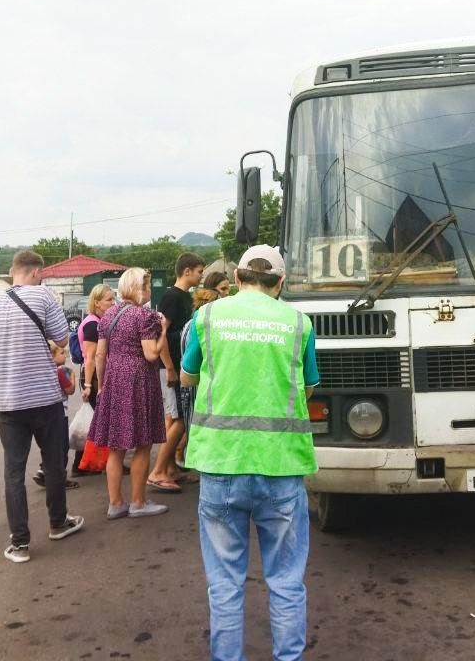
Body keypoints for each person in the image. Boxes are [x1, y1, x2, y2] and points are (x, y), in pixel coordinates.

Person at [180, 245, 320, 661]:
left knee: (224, 584)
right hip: (281, 466)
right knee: (286, 581)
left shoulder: (206, 318)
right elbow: (309, 386)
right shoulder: (299, 323)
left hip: (221, 465)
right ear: (279, 284)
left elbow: (188, 377)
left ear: (237, 279)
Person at [0, 250, 84, 564]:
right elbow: (62, 339)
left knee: (13, 471)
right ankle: (58, 523)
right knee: (52, 464)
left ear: (13, 272)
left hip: (9, 404)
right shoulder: (44, 296)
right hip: (46, 400)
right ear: (36, 272)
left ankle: (20, 543)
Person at [88, 267, 169, 519]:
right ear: (138, 288)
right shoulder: (145, 317)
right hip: (140, 381)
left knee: (116, 447)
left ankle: (115, 504)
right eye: (146, 286)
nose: (148, 290)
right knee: (143, 444)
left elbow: (100, 355)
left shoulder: (108, 315)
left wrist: (101, 385)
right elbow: (152, 354)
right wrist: (164, 329)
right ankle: (138, 502)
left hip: (114, 381)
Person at [147, 252, 204, 493]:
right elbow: (160, 332)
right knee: (180, 419)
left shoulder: (184, 297)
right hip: (173, 369)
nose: (201, 276)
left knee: (179, 416)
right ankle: (158, 471)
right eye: (200, 271)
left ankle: (171, 469)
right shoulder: (171, 297)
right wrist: (169, 367)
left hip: (179, 367)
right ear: (187, 271)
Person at [73, 283, 116, 476]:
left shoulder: (97, 321)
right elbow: (90, 357)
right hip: (94, 377)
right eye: (109, 299)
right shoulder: (92, 324)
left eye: (113, 298)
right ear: (97, 302)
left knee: (96, 420)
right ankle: (82, 464)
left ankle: (88, 463)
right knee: (96, 420)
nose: (113, 303)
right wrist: (89, 385)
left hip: (97, 376)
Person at [175, 287, 219, 468]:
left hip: (192, 385)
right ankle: (192, 462)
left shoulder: (190, 324)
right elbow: (190, 363)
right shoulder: (197, 324)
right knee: (195, 426)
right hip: (195, 386)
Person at [33, 341, 79, 490]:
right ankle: (59, 477)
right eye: (61, 353)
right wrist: (72, 375)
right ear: (51, 356)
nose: (64, 355)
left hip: (45, 411)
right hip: (60, 413)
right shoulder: (59, 371)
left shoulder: (44, 371)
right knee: (61, 446)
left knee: (50, 445)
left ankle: (44, 471)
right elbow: (70, 390)